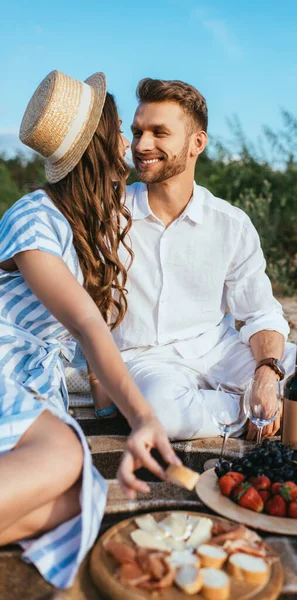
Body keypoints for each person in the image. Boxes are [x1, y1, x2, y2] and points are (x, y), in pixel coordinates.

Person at [91, 77, 297, 444]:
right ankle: (268, 408)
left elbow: (259, 314)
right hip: (146, 362)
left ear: (197, 143)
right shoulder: (107, 217)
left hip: (219, 349)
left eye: (160, 132)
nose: (142, 145)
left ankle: (271, 398)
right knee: (161, 414)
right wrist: (259, 400)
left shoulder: (231, 223)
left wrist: (267, 374)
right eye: (138, 131)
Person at [0, 70, 180, 589]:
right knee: (63, 456)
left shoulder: (86, 223)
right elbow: (82, 322)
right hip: (5, 362)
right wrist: (144, 415)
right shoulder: (33, 219)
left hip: (32, 383)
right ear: (100, 142)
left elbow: (95, 337)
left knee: (82, 497)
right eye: (121, 129)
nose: (129, 141)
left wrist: (112, 412)